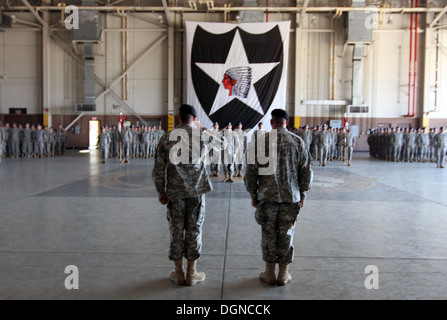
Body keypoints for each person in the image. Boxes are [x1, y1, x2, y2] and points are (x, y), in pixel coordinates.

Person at [244, 109, 313, 286]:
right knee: (287, 234)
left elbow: (251, 172)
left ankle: (269, 273)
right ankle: (283, 274)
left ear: (272, 122)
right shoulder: (297, 141)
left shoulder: (261, 142)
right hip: (291, 197)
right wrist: (303, 194)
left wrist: (253, 194)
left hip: (267, 197)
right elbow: (306, 171)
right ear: (286, 122)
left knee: (268, 234)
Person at [152, 104, 213, 286]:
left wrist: (161, 191)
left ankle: (178, 273)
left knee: (176, 229)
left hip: (174, 192)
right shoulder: (201, 135)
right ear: (193, 119)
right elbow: (223, 143)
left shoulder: (166, 138)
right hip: (196, 191)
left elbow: (158, 169)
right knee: (194, 229)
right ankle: (191, 273)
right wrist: (202, 128)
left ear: (179, 118)